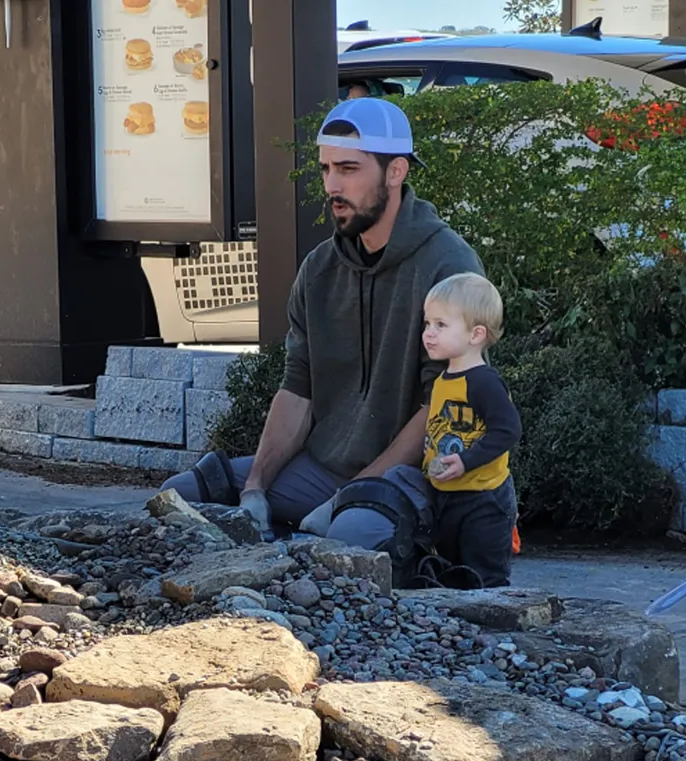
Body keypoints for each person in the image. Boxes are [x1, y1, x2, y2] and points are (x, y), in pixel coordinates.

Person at [160, 97, 485, 548]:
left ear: (396, 172)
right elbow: (298, 388)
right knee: (181, 496)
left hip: (412, 476)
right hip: (321, 469)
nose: (333, 184)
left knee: (349, 535)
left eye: (349, 169)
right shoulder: (319, 270)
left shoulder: (449, 267)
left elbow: (440, 405)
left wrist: (351, 496)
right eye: (326, 169)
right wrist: (255, 488)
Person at [419, 273, 522, 587]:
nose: (428, 334)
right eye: (427, 324)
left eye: (441, 325)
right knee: (453, 575)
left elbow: (508, 430)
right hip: (446, 496)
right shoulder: (442, 381)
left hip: (484, 499)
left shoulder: (483, 381)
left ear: (476, 334)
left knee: (485, 578)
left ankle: (497, 633)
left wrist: (466, 461)